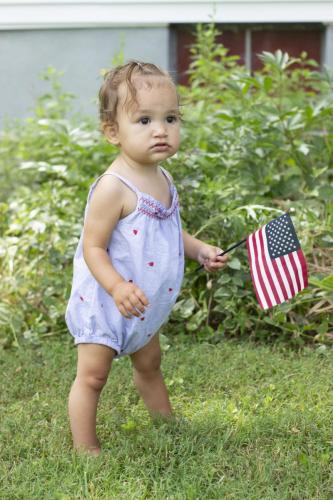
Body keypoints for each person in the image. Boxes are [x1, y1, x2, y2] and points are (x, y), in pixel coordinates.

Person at [65, 61, 228, 456]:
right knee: (93, 376)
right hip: (107, 301)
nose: (161, 130)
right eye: (143, 120)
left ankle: (166, 423)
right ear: (112, 131)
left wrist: (200, 249)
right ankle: (86, 449)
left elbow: (170, 231)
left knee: (150, 363)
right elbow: (93, 248)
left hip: (143, 302)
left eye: (170, 118)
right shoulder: (113, 187)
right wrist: (117, 286)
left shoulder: (162, 178)